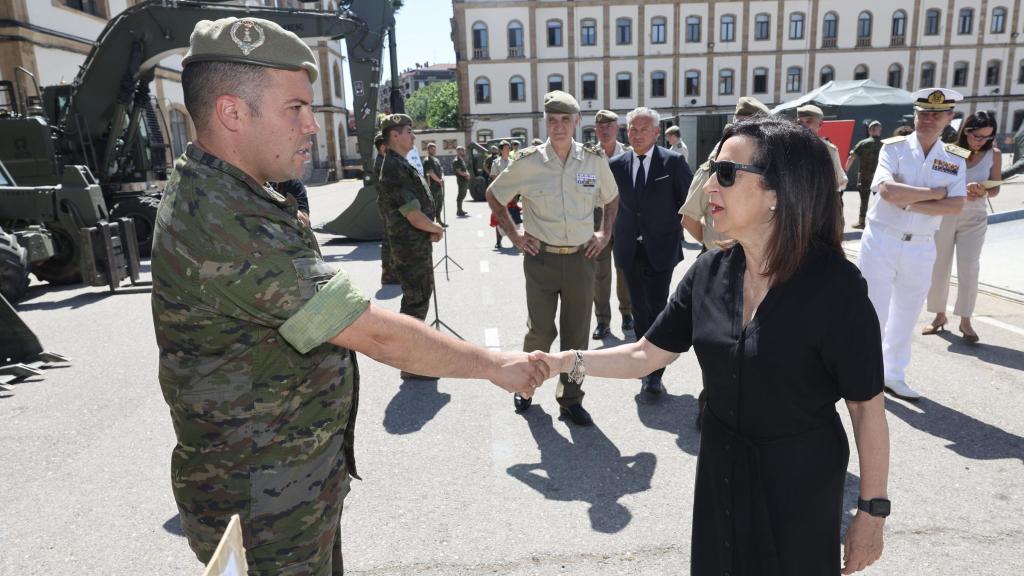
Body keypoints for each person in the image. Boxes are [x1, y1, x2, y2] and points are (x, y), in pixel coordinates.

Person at [151, 17, 548, 574]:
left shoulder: (235, 192)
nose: (312, 125)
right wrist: (494, 364)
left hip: (284, 481)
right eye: (295, 109)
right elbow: (372, 332)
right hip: (261, 501)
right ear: (232, 112)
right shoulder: (220, 217)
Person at [533, 116, 891, 576]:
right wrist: (567, 361)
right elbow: (647, 354)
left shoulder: (835, 287)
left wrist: (871, 512)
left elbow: (867, 408)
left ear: (778, 192)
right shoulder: (709, 271)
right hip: (721, 468)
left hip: (798, 484)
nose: (708, 188)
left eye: (725, 175)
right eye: (709, 171)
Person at [486, 90, 619, 426]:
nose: (558, 126)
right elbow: (494, 196)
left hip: (580, 261)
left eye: (565, 120)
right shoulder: (527, 162)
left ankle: (571, 399)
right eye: (552, 120)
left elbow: (612, 198)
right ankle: (526, 386)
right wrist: (515, 235)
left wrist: (604, 234)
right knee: (540, 334)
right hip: (541, 260)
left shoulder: (593, 160)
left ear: (576, 122)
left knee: (577, 337)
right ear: (545, 122)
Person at [858, 88, 967, 401]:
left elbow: (956, 206)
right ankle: (866, 374)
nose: (927, 119)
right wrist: (934, 194)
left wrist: (910, 199)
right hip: (882, 238)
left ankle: (892, 374)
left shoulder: (954, 158)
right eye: (922, 113)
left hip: (920, 244)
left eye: (936, 114)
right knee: (872, 310)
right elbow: (888, 192)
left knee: (906, 313)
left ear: (949, 119)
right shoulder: (893, 148)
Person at [608, 107, 691, 402]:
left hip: (661, 249)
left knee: (657, 308)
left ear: (657, 132)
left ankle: (654, 373)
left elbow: (688, 201)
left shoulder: (674, 162)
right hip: (629, 248)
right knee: (640, 310)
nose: (637, 134)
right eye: (632, 129)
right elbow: (598, 196)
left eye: (644, 129)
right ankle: (647, 367)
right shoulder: (615, 164)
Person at [923, 110, 1002, 343]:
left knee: (969, 266)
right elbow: (937, 183)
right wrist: (961, 188)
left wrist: (983, 190)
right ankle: (939, 316)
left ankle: (966, 320)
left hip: (975, 217)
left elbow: (995, 190)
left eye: (987, 137)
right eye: (978, 136)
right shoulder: (950, 151)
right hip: (947, 213)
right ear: (966, 131)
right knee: (939, 264)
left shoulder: (994, 154)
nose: (982, 141)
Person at [377, 114, 446, 352]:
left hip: (415, 244)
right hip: (409, 247)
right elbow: (412, 215)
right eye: (409, 131)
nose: (413, 135)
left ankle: (413, 354)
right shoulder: (394, 167)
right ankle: (411, 359)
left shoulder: (401, 163)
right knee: (415, 300)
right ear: (395, 135)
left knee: (418, 297)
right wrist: (435, 228)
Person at [681, 96, 770, 253]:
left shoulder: (774, 172)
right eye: (740, 127)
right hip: (722, 260)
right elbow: (689, 220)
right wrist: (712, 245)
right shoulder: (711, 169)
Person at [592, 109, 634, 339]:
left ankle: (627, 314)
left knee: (624, 268)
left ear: (617, 128)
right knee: (599, 273)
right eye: (600, 127)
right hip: (597, 217)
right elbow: (582, 184)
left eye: (609, 126)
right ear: (596, 130)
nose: (604, 130)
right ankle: (602, 320)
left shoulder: (628, 154)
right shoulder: (588, 156)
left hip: (623, 217)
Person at [796, 104, 849, 193]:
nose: (803, 125)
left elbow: (840, 181)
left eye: (809, 121)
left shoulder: (828, 149)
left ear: (820, 124)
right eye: (800, 122)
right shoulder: (788, 145)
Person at [846, 121, 885, 229]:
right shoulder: (885, 144)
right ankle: (880, 222)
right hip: (879, 177)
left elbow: (851, 157)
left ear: (869, 130)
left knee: (864, 200)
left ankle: (861, 222)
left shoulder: (863, 143)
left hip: (864, 177)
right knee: (880, 200)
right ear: (880, 130)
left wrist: (845, 171)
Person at [372, 131, 398, 284]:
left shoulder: (383, 161)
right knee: (388, 241)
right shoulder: (381, 164)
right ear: (383, 147)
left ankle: (390, 272)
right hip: (388, 205)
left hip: (388, 204)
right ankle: (388, 274)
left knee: (390, 239)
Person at [422, 142, 445, 225]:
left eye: (434, 149)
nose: (434, 151)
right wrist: (439, 180)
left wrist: (441, 179)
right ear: (428, 150)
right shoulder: (427, 160)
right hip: (432, 186)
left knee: (439, 203)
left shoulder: (436, 160)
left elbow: (440, 171)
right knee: (432, 205)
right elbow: (431, 173)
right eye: (432, 149)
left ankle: (438, 220)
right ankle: (431, 223)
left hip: (438, 185)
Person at [453, 145, 470, 216]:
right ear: (458, 151)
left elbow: (465, 169)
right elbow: (459, 171)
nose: (463, 152)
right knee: (461, 194)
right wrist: (466, 175)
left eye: (463, 150)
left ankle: (460, 210)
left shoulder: (461, 160)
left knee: (463, 194)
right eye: (461, 150)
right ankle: (459, 210)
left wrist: (467, 173)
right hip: (461, 180)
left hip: (464, 179)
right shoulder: (456, 160)